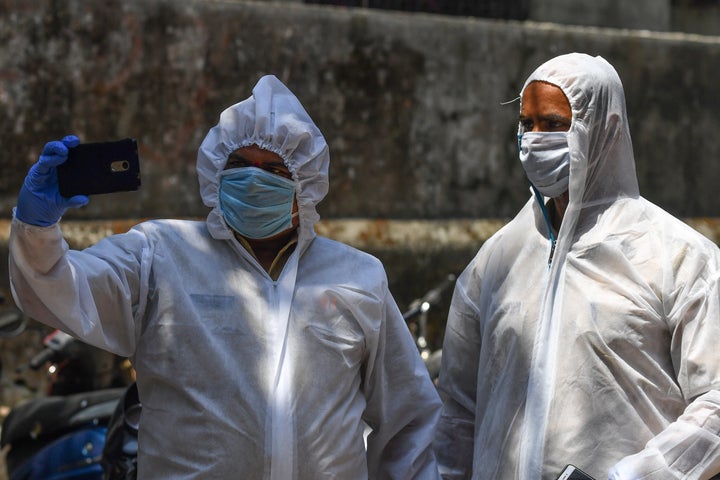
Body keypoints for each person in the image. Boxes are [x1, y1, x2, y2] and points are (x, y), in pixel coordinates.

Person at [8, 74, 442, 479]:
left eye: (274, 171)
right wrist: (37, 228)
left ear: (305, 186)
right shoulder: (160, 256)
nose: (253, 182)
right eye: (239, 165)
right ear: (216, 172)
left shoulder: (358, 277)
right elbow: (56, 288)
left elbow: (408, 420)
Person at [433, 53, 720, 479]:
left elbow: (714, 405)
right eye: (526, 124)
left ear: (604, 129)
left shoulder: (677, 257)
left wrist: (631, 476)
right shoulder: (496, 261)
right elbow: (458, 413)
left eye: (553, 124)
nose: (533, 140)